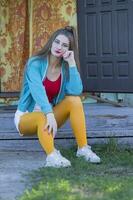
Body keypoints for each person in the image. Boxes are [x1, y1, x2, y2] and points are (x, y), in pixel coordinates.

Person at [14, 26, 101, 168]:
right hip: (26, 116)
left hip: (50, 116)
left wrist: (72, 64)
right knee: (41, 116)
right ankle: (52, 156)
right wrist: (48, 113)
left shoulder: (65, 69)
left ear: (69, 49)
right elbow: (37, 90)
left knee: (74, 100)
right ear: (51, 42)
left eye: (65, 45)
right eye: (57, 42)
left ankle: (83, 148)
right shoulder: (34, 63)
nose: (59, 47)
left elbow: (75, 90)